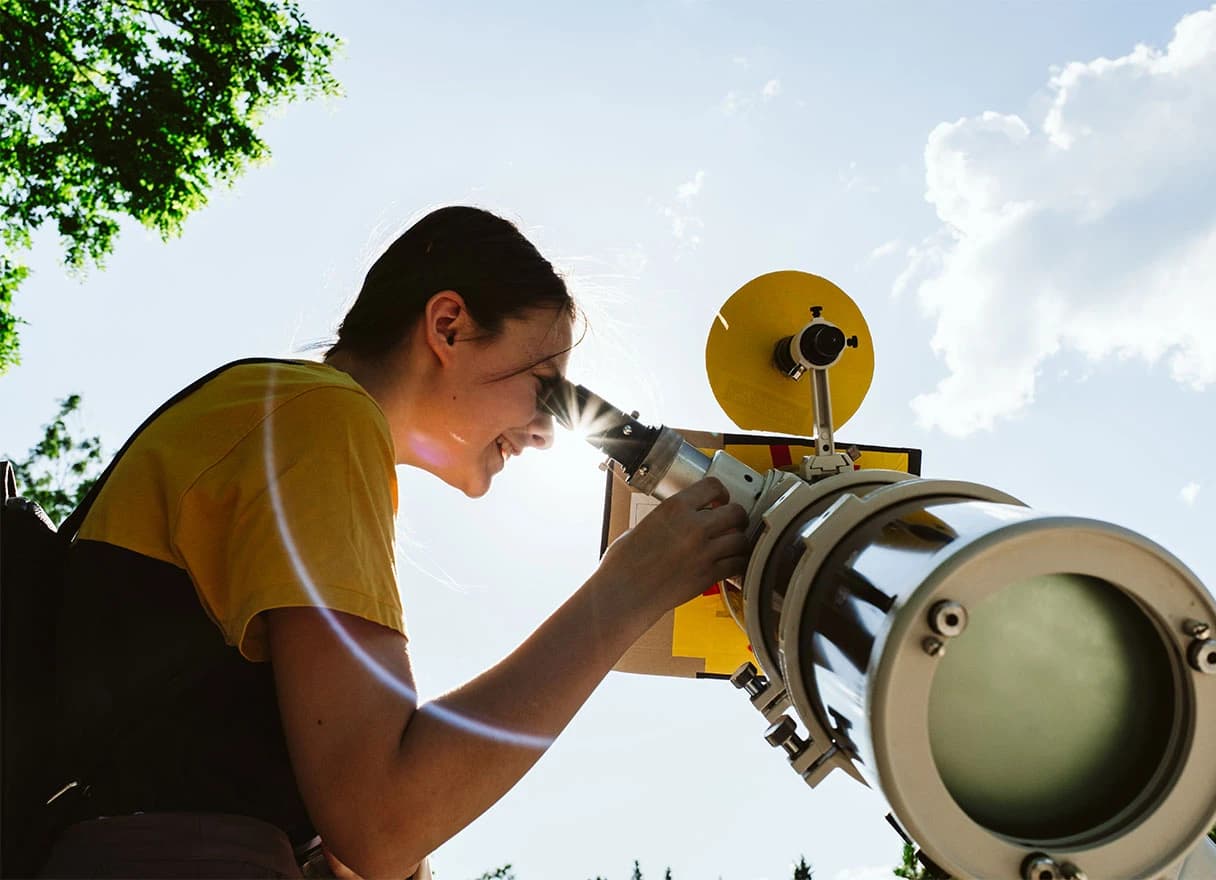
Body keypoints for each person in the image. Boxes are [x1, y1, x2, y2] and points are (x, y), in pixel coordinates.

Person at [40, 206, 751, 878]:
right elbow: (382, 821)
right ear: (448, 326)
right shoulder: (322, 415)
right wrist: (626, 593)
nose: (545, 433)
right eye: (545, 385)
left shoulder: (278, 412)